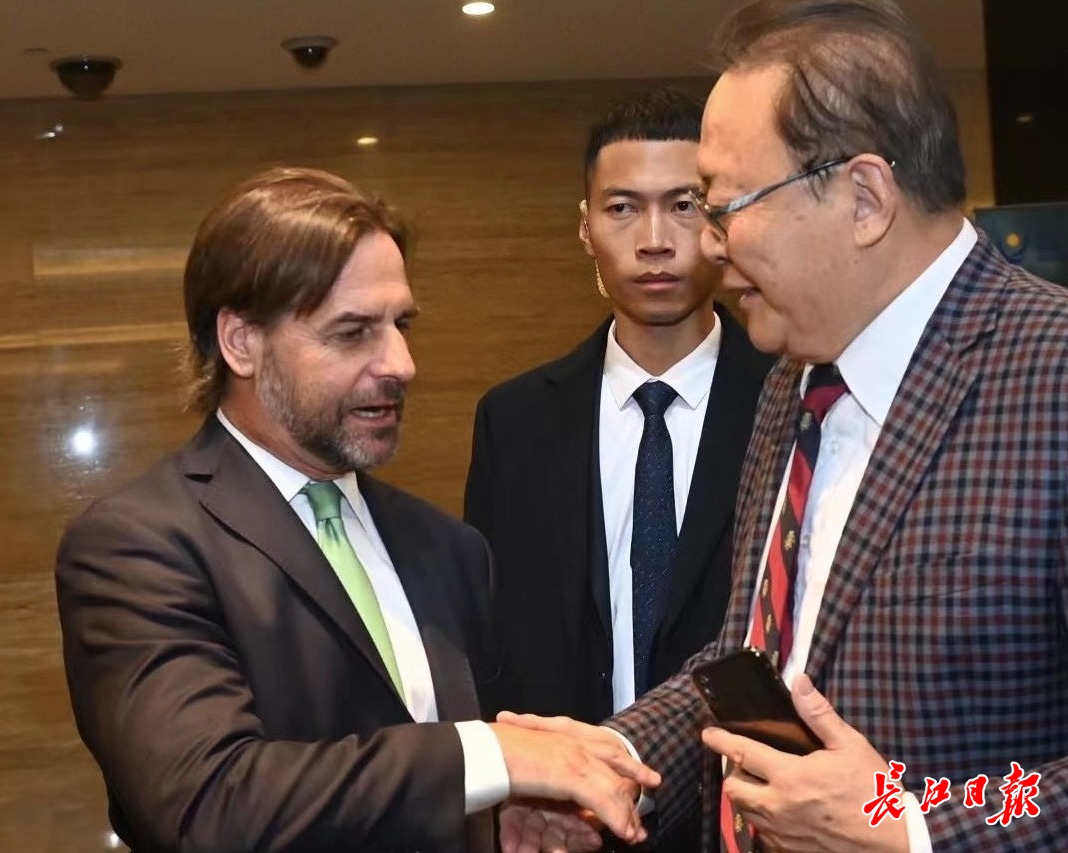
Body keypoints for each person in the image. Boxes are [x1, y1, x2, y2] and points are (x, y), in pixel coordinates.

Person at [499, 1, 1068, 851]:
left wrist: (914, 826)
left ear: (864, 197)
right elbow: (759, 663)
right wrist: (605, 761)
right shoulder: (793, 386)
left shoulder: (1050, 374)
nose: (709, 245)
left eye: (726, 206)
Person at [54, 167, 658, 853]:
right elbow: (208, 806)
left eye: (401, 325)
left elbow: (433, 791)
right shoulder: (138, 547)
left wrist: (496, 812)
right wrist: (488, 754)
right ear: (241, 342)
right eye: (352, 332)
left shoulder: (448, 549)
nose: (401, 363)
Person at [464, 89, 771, 850]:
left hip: (751, 817)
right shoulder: (515, 420)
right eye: (623, 209)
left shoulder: (790, 398)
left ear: (722, 221)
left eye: (685, 206)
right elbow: (491, 641)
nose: (655, 241)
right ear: (585, 227)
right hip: (568, 824)